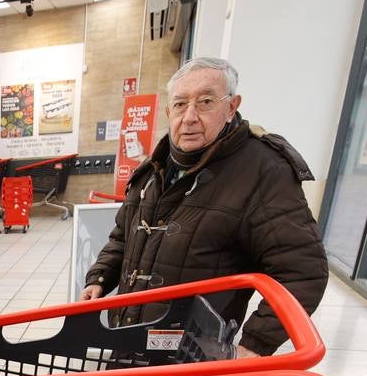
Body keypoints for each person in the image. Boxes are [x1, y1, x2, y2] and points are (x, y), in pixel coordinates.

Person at [80, 57, 328, 356]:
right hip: (129, 338)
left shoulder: (263, 171)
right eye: (181, 104)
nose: (190, 117)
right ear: (169, 111)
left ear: (232, 106)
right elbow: (123, 236)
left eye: (206, 101)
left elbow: (303, 271)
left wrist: (255, 343)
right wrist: (100, 277)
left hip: (195, 357)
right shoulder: (156, 167)